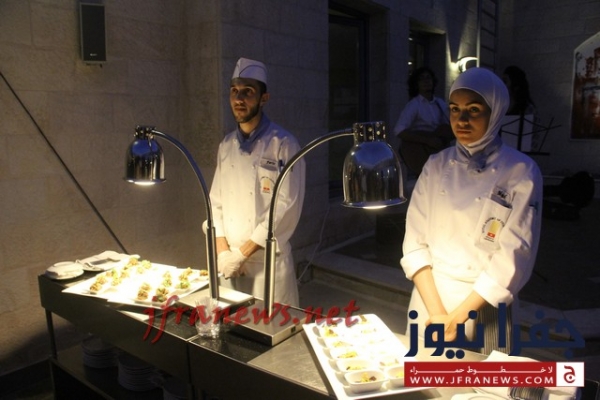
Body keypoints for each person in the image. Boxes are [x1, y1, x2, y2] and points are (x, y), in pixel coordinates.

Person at [400, 67, 543, 354]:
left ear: (496, 112)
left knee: (481, 380)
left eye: (474, 110)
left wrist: (457, 317)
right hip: (430, 300)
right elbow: (414, 243)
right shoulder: (436, 165)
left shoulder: (521, 171)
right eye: (455, 109)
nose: (461, 120)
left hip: (486, 302)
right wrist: (438, 314)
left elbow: (514, 256)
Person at [209, 58, 306, 307]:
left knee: (272, 326)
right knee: (232, 325)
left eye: (248, 91)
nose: (239, 98)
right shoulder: (226, 145)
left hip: (268, 265)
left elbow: (286, 207)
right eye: (234, 91)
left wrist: (242, 254)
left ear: (264, 98)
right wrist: (223, 253)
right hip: (230, 265)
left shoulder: (284, 144)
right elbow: (215, 203)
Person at [393, 67, 454, 176]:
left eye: (428, 78)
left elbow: (451, 125)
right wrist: (427, 140)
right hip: (422, 154)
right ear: (416, 84)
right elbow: (399, 130)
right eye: (421, 79)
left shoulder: (440, 104)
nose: (426, 81)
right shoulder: (414, 105)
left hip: (440, 153)